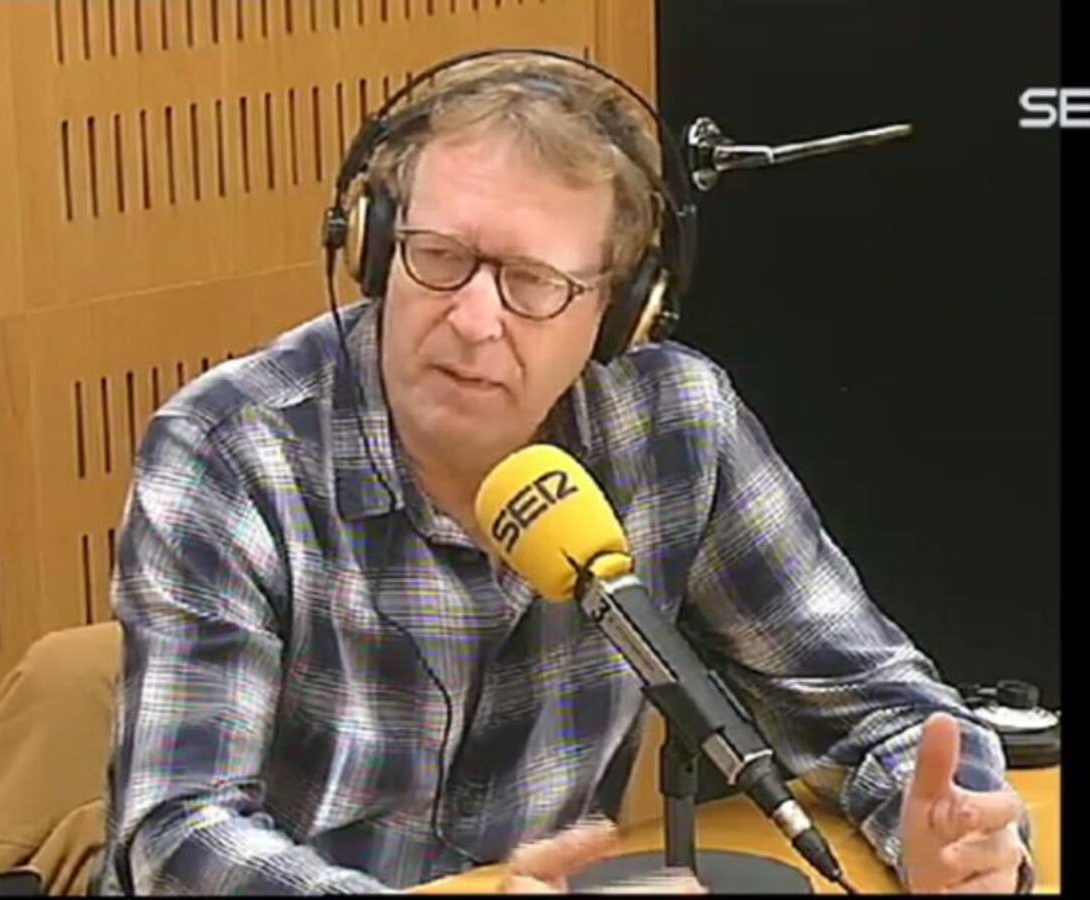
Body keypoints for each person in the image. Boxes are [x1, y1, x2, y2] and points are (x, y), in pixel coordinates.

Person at [94, 50, 1033, 894]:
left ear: (621, 313)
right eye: (439, 258)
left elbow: (877, 710)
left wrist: (951, 833)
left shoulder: (672, 424)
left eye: (533, 284)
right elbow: (178, 840)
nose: (473, 321)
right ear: (375, 250)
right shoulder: (230, 449)